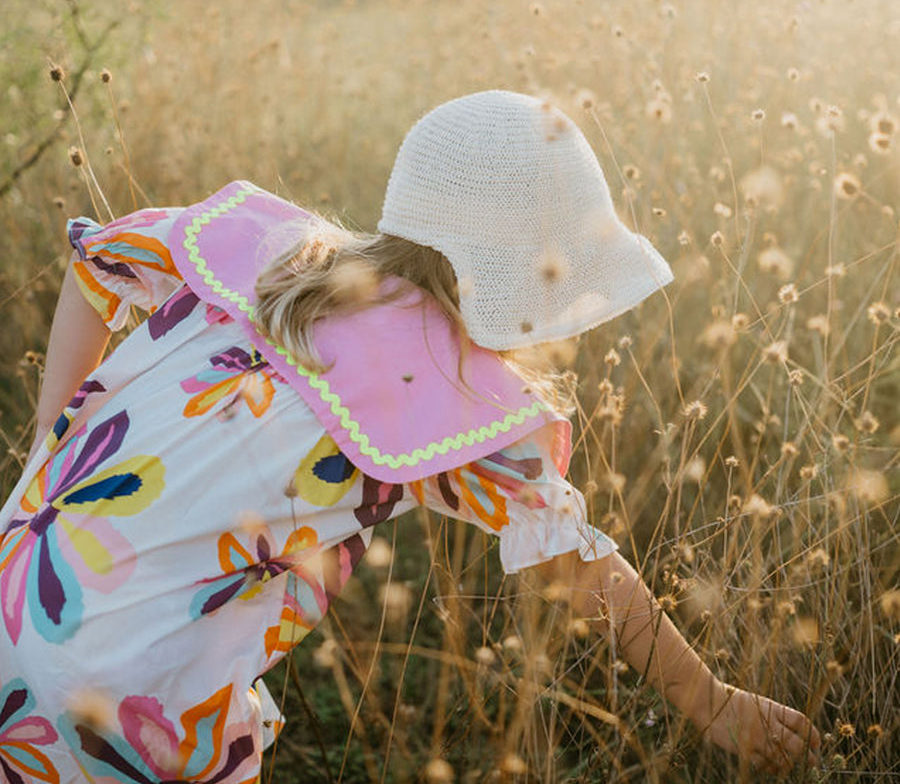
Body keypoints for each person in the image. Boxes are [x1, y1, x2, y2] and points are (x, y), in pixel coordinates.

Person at [0, 91, 819, 782]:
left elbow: (93, 265)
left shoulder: (265, 250)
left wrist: (56, 433)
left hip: (15, 588)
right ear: (533, 273)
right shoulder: (458, 399)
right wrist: (712, 701)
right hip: (131, 698)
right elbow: (579, 566)